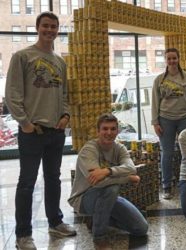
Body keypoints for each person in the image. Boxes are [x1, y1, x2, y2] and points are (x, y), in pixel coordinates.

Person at [5, 12, 76, 250]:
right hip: (32, 131)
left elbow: (64, 94)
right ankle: (23, 235)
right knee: (27, 182)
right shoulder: (22, 56)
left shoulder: (60, 61)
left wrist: (66, 116)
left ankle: (55, 221)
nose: (50, 30)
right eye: (45, 26)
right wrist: (24, 122)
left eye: (54, 27)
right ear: (37, 28)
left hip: (55, 131)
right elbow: (12, 94)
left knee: (53, 179)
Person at [68, 113, 148, 249]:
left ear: (117, 131)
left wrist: (107, 171)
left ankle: (97, 219)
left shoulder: (119, 148)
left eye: (113, 129)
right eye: (105, 129)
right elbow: (97, 182)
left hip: (108, 198)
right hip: (84, 198)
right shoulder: (88, 150)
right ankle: (99, 237)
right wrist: (127, 178)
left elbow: (131, 168)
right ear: (98, 131)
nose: (109, 133)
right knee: (112, 188)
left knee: (141, 229)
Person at [151, 48, 186, 199]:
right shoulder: (159, 80)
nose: (172, 61)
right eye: (169, 58)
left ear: (178, 59)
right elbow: (155, 102)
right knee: (167, 153)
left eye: (174, 58)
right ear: (166, 60)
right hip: (165, 120)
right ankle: (166, 186)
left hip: (185, 118)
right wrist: (155, 122)